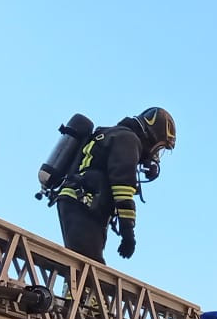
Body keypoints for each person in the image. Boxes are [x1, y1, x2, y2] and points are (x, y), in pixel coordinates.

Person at [52, 107, 176, 264]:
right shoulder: (128, 140)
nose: (156, 155)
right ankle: (75, 289)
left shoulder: (115, 134)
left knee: (80, 264)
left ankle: (71, 289)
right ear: (153, 135)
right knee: (90, 267)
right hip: (84, 204)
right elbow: (122, 187)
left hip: (78, 201)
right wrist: (128, 231)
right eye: (159, 147)